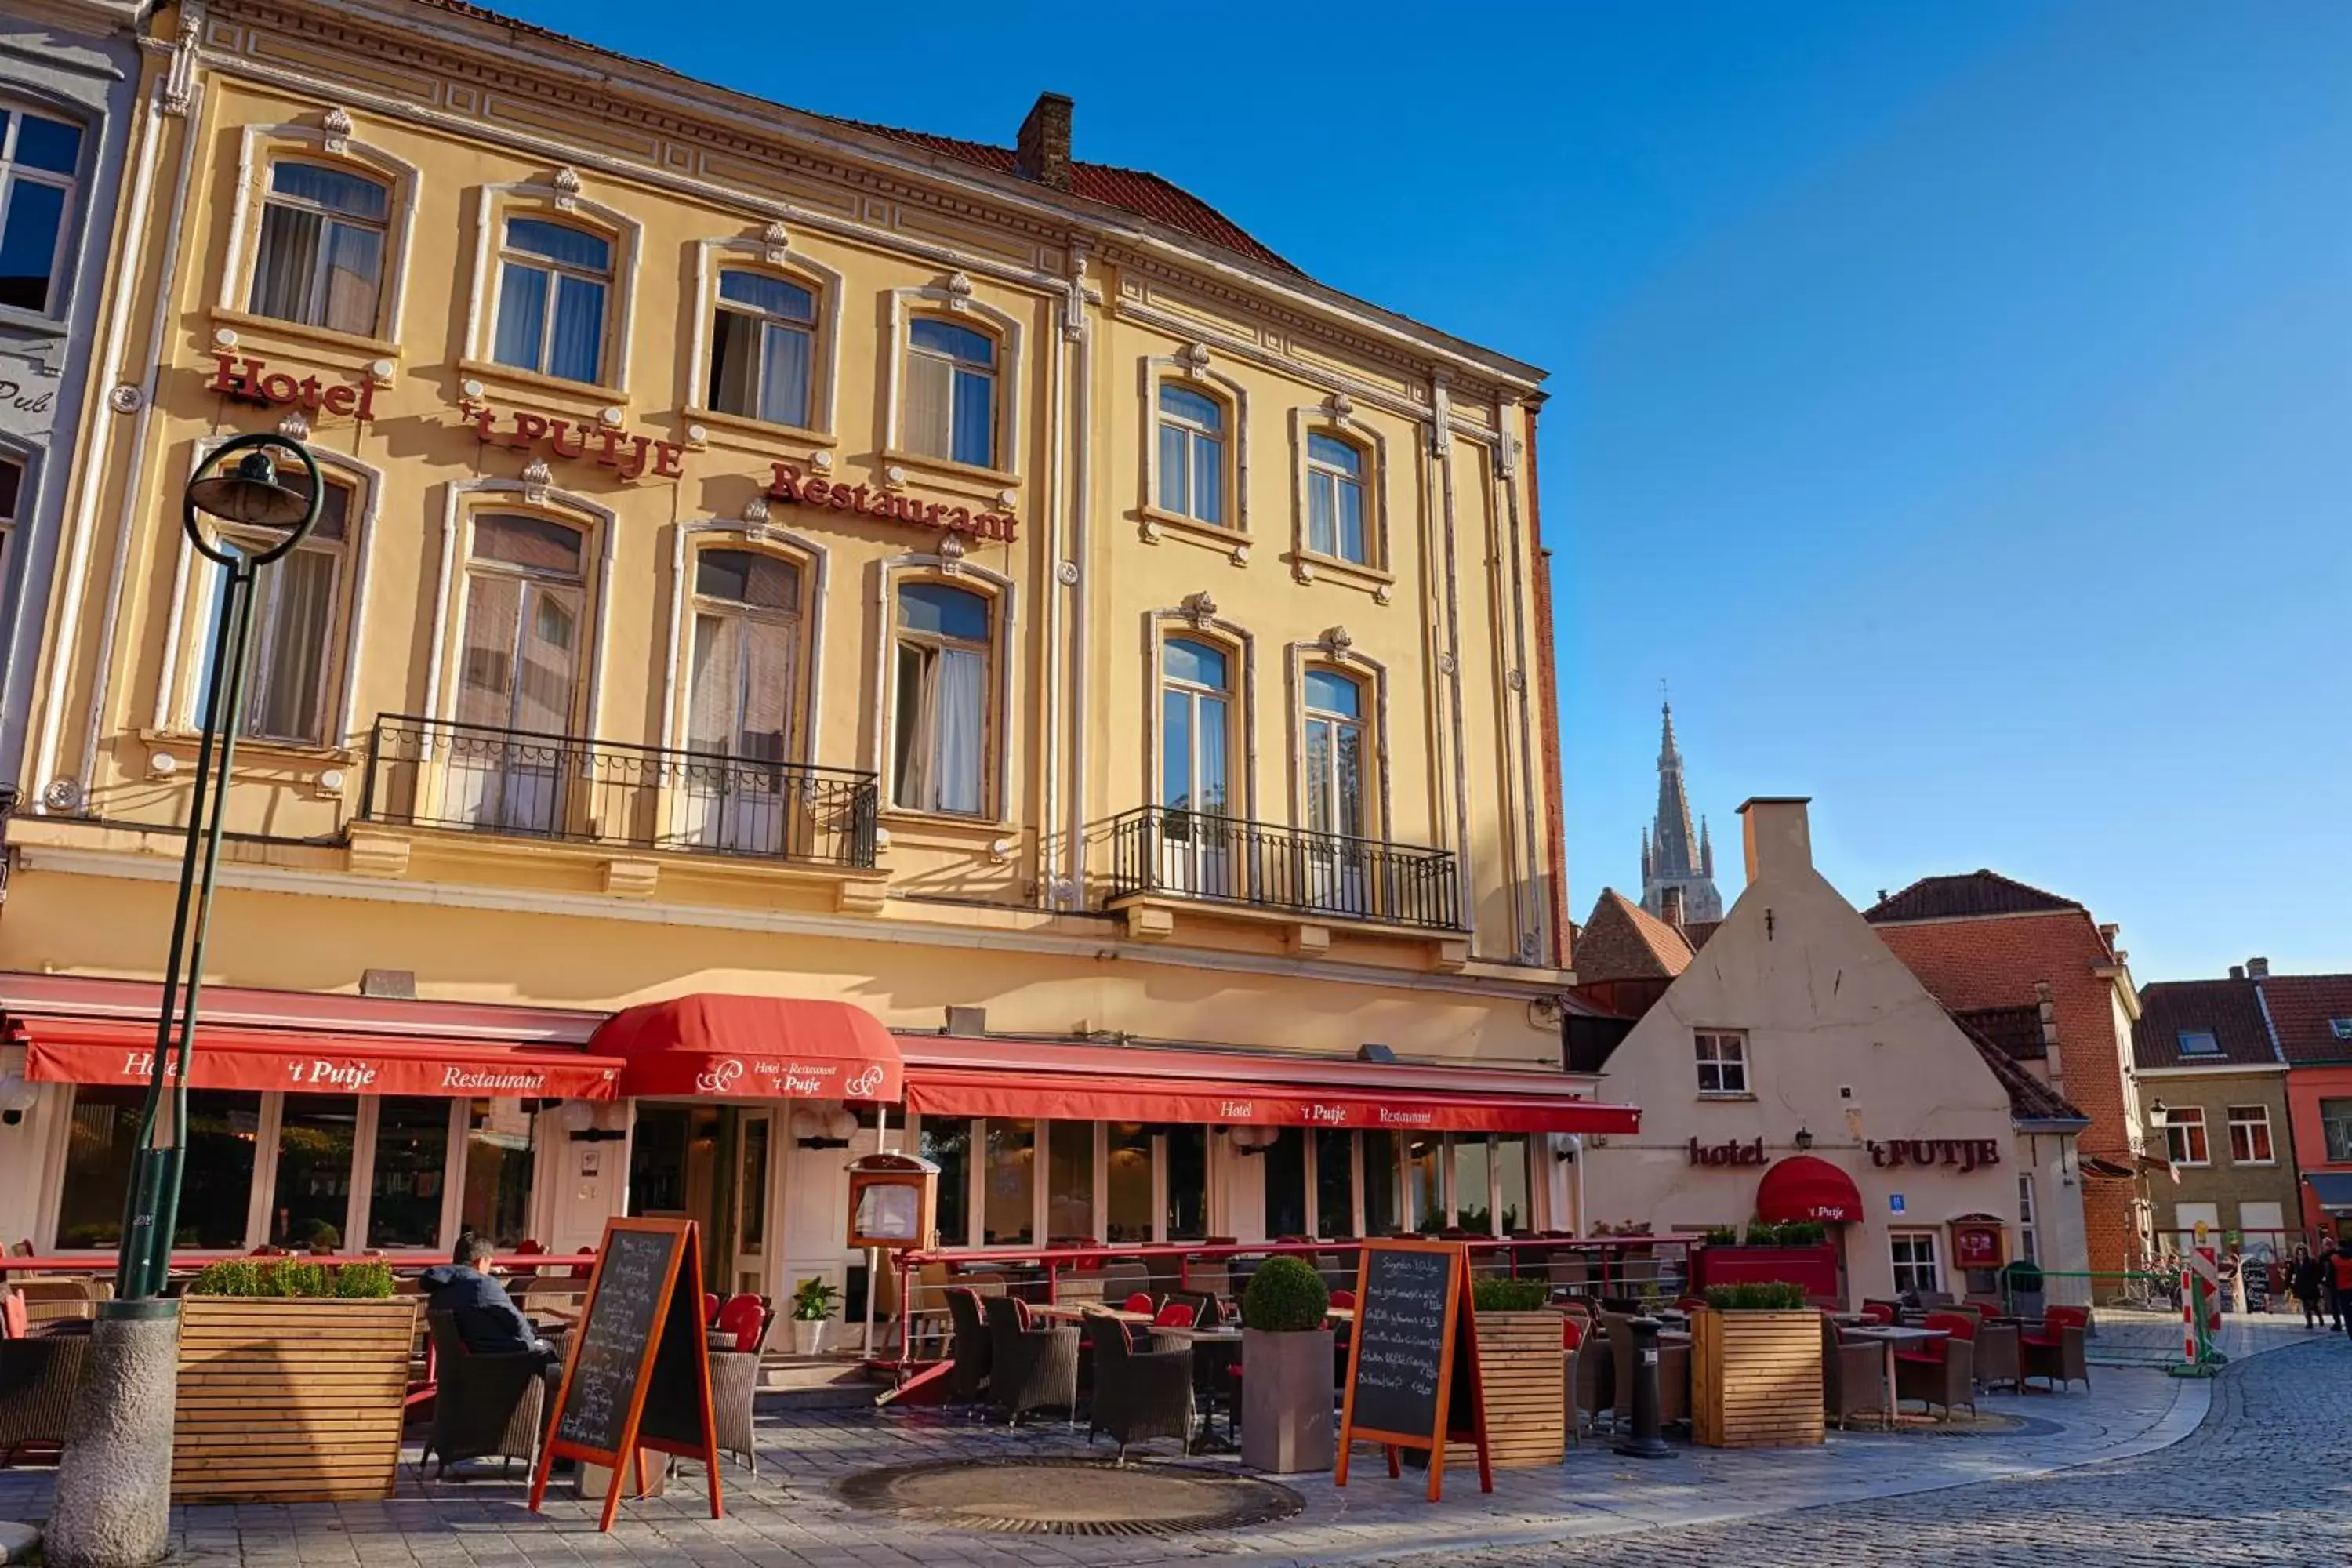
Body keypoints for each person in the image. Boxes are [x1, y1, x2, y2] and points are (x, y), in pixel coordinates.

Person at [420, 1232, 560, 1372]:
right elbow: (517, 1324)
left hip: (462, 1369)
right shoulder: (483, 1285)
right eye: (490, 1263)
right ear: (481, 1261)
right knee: (550, 1349)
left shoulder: (438, 1289)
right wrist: (531, 1342)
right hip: (497, 1365)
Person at [2290, 1245, 2325, 1330]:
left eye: (2302, 1254)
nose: (2301, 1256)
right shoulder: (2296, 1263)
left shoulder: (2311, 1262)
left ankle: (2319, 1317)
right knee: (2306, 1305)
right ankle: (2309, 1323)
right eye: (2299, 1254)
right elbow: (2295, 1275)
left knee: (2313, 1305)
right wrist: (2294, 1287)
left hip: (2311, 1286)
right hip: (2302, 1287)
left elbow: (2318, 1273)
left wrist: (2318, 1283)